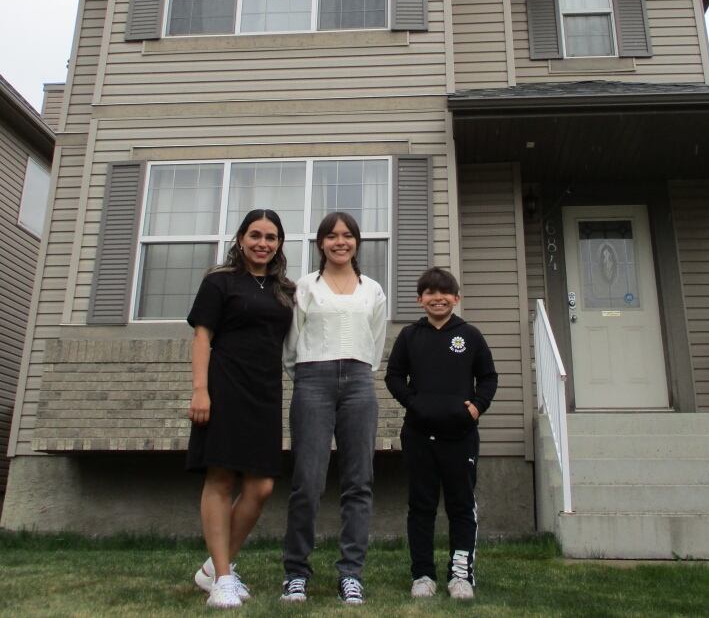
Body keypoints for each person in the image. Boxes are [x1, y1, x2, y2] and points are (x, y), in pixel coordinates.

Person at [187, 208, 295, 609]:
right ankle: (224, 577)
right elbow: (202, 337)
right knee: (220, 478)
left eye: (270, 237)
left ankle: (216, 568)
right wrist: (200, 390)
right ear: (240, 239)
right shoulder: (220, 281)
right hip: (225, 385)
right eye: (255, 235)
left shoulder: (286, 289)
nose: (262, 243)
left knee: (262, 486)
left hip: (265, 391)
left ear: (279, 243)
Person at [281, 211, 387, 606]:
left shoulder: (372, 289)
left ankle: (351, 574)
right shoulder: (305, 287)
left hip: (360, 382)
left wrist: (356, 370)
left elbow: (376, 341)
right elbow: (291, 345)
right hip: (312, 380)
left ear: (356, 242)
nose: (340, 242)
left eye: (347, 235)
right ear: (321, 243)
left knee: (359, 482)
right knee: (307, 481)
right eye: (331, 236)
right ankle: (296, 573)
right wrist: (311, 377)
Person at [384, 267, 497, 601]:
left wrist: (476, 407)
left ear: (456, 298)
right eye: (430, 293)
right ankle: (422, 574)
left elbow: (488, 378)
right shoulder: (409, 336)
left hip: (460, 437)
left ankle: (460, 574)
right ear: (420, 300)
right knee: (421, 506)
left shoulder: (470, 336)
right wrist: (413, 402)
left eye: (444, 292)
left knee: (461, 506)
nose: (437, 298)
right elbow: (393, 376)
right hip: (418, 435)